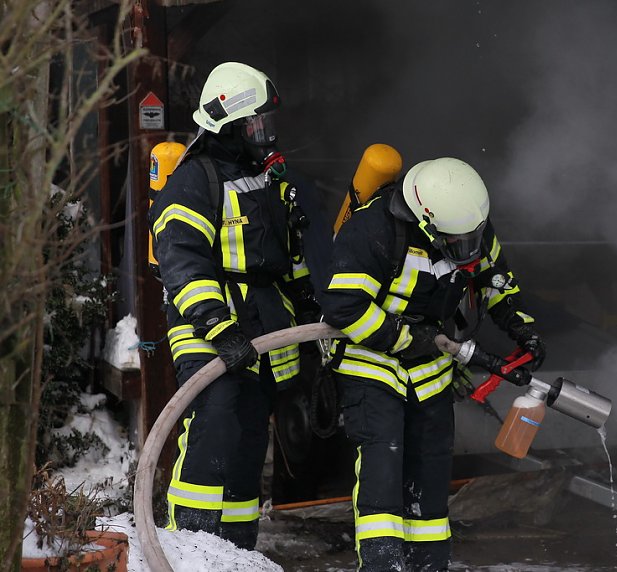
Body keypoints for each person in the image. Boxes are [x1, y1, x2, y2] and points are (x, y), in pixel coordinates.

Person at [321, 157, 546, 571]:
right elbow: (344, 308)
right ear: (426, 223)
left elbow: (494, 280)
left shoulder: (469, 226)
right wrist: (407, 338)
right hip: (371, 365)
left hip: (432, 370)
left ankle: (429, 565)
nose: (467, 249)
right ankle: (383, 565)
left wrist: (522, 328)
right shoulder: (372, 231)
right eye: (456, 242)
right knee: (382, 471)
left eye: (472, 239)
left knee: (430, 477)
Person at [148, 61, 325, 549]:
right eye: (256, 124)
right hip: (209, 327)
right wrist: (218, 326)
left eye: (267, 122)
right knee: (215, 424)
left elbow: (287, 256)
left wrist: (309, 312)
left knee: (249, 438)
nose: (266, 133)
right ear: (228, 127)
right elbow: (183, 262)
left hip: (265, 324)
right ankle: (192, 547)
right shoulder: (192, 183)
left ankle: (237, 551)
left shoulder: (265, 178)